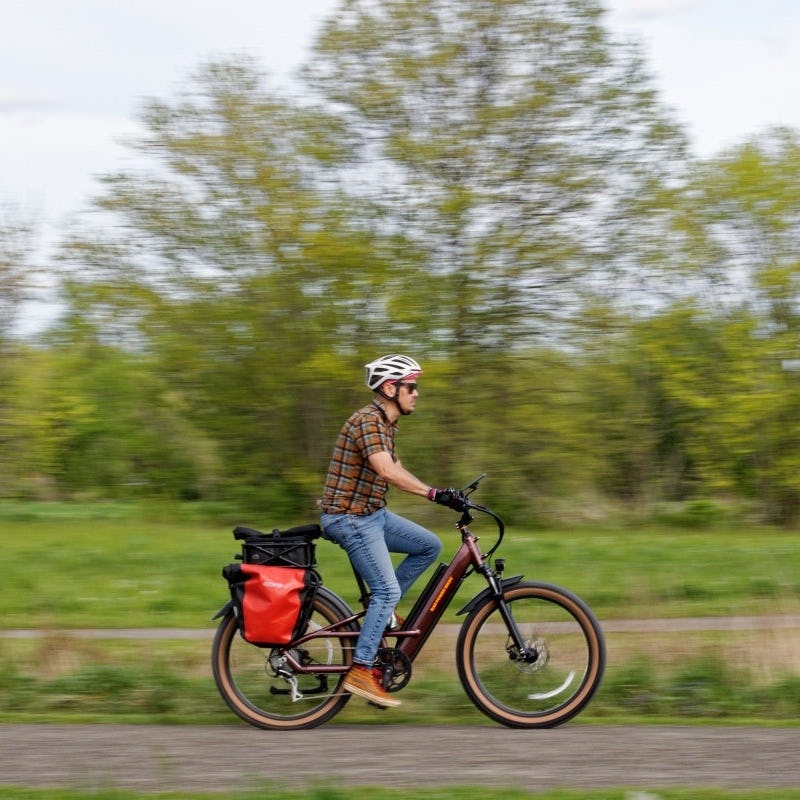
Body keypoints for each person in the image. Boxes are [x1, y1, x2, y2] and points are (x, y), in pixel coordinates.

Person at [319, 354, 467, 708]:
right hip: (348, 518)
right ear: (390, 388)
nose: (416, 393)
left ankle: (380, 612)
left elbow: (397, 467)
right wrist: (432, 493)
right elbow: (386, 471)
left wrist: (442, 494)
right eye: (411, 387)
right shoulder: (368, 422)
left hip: (372, 515)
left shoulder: (385, 425)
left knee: (428, 546)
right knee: (386, 590)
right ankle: (361, 669)